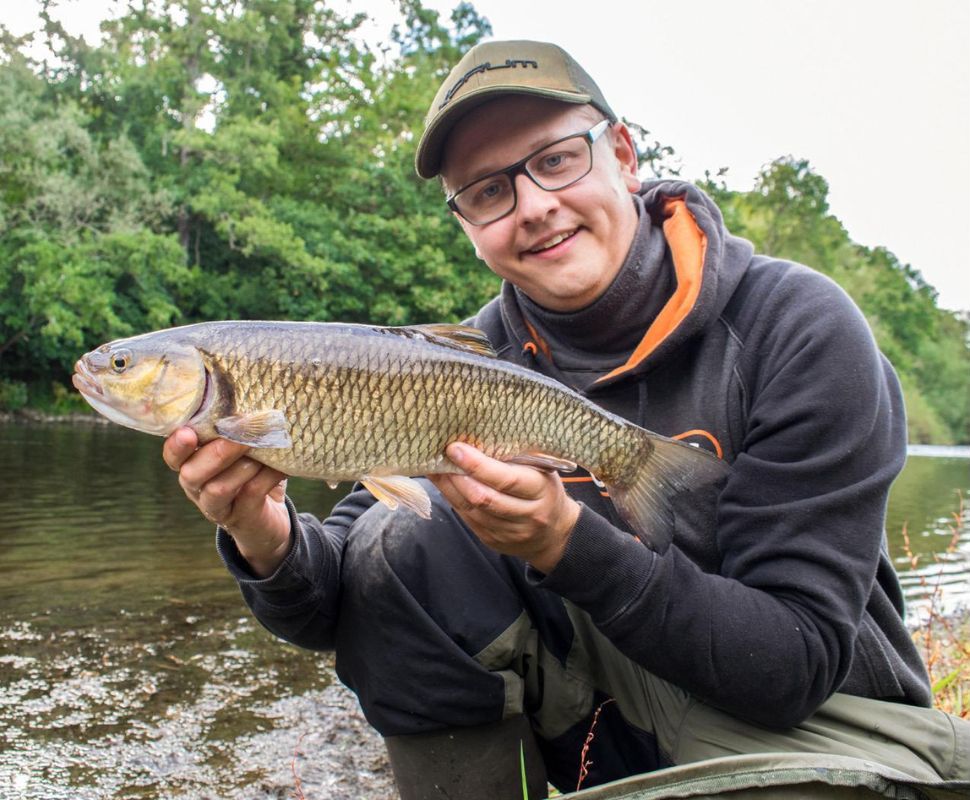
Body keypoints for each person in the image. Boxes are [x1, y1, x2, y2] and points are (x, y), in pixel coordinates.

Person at [163, 40, 970, 798]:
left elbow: (793, 666)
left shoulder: (795, 328)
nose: (535, 207)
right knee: (401, 543)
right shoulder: (474, 357)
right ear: (469, 226)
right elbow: (348, 596)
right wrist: (264, 537)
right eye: (488, 191)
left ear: (621, 153)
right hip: (616, 713)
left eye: (555, 160)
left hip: (821, 722)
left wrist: (564, 544)